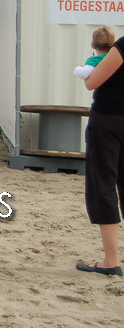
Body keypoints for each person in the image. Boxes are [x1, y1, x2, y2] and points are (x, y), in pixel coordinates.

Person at [77, 30, 124, 277]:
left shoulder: (122, 46)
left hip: (109, 121)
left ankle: (111, 260)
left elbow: (92, 82)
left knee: (103, 184)